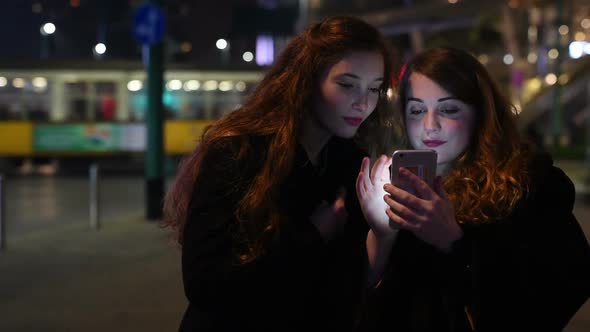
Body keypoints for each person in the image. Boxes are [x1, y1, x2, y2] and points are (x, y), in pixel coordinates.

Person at [163, 16, 393, 331]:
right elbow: (205, 283)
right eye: (347, 84)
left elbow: (349, 285)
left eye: (375, 88)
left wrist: (383, 231)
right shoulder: (240, 152)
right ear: (306, 81)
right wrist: (313, 236)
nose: (363, 102)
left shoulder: (352, 162)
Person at [356, 47, 590, 331]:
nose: (430, 126)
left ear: (479, 113)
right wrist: (382, 234)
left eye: (448, 109)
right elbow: (357, 300)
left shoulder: (532, 184)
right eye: (417, 110)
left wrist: (454, 242)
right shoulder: (395, 185)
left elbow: (556, 293)